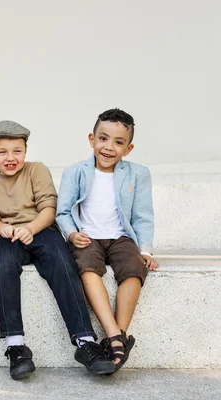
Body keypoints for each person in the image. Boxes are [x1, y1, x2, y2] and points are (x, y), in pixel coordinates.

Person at [0, 120, 115, 380]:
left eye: (17, 151)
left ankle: (85, 341)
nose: (11, 157)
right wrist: (3, 229)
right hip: (9, 235)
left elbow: (48, 208)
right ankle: (16, 346)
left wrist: (31, 228)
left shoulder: (36, 171)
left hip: (41, 229)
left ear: (25, 151)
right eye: (2, 152)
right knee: (0, 262)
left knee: (62, 261)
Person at [56, 108, 158, 373]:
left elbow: (143, 215)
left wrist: (145, 250)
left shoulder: (138, 174)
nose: (109, 147)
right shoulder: (75, 171)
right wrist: (71, 233)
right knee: (87, 268)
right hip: (87, 237)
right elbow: (63, 211)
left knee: (134, 268)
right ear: (92, 139)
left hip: (121, 237)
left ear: (129, 148)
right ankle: (114, 335)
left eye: (118, 142)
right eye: (103, 139)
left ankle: (119, 336)